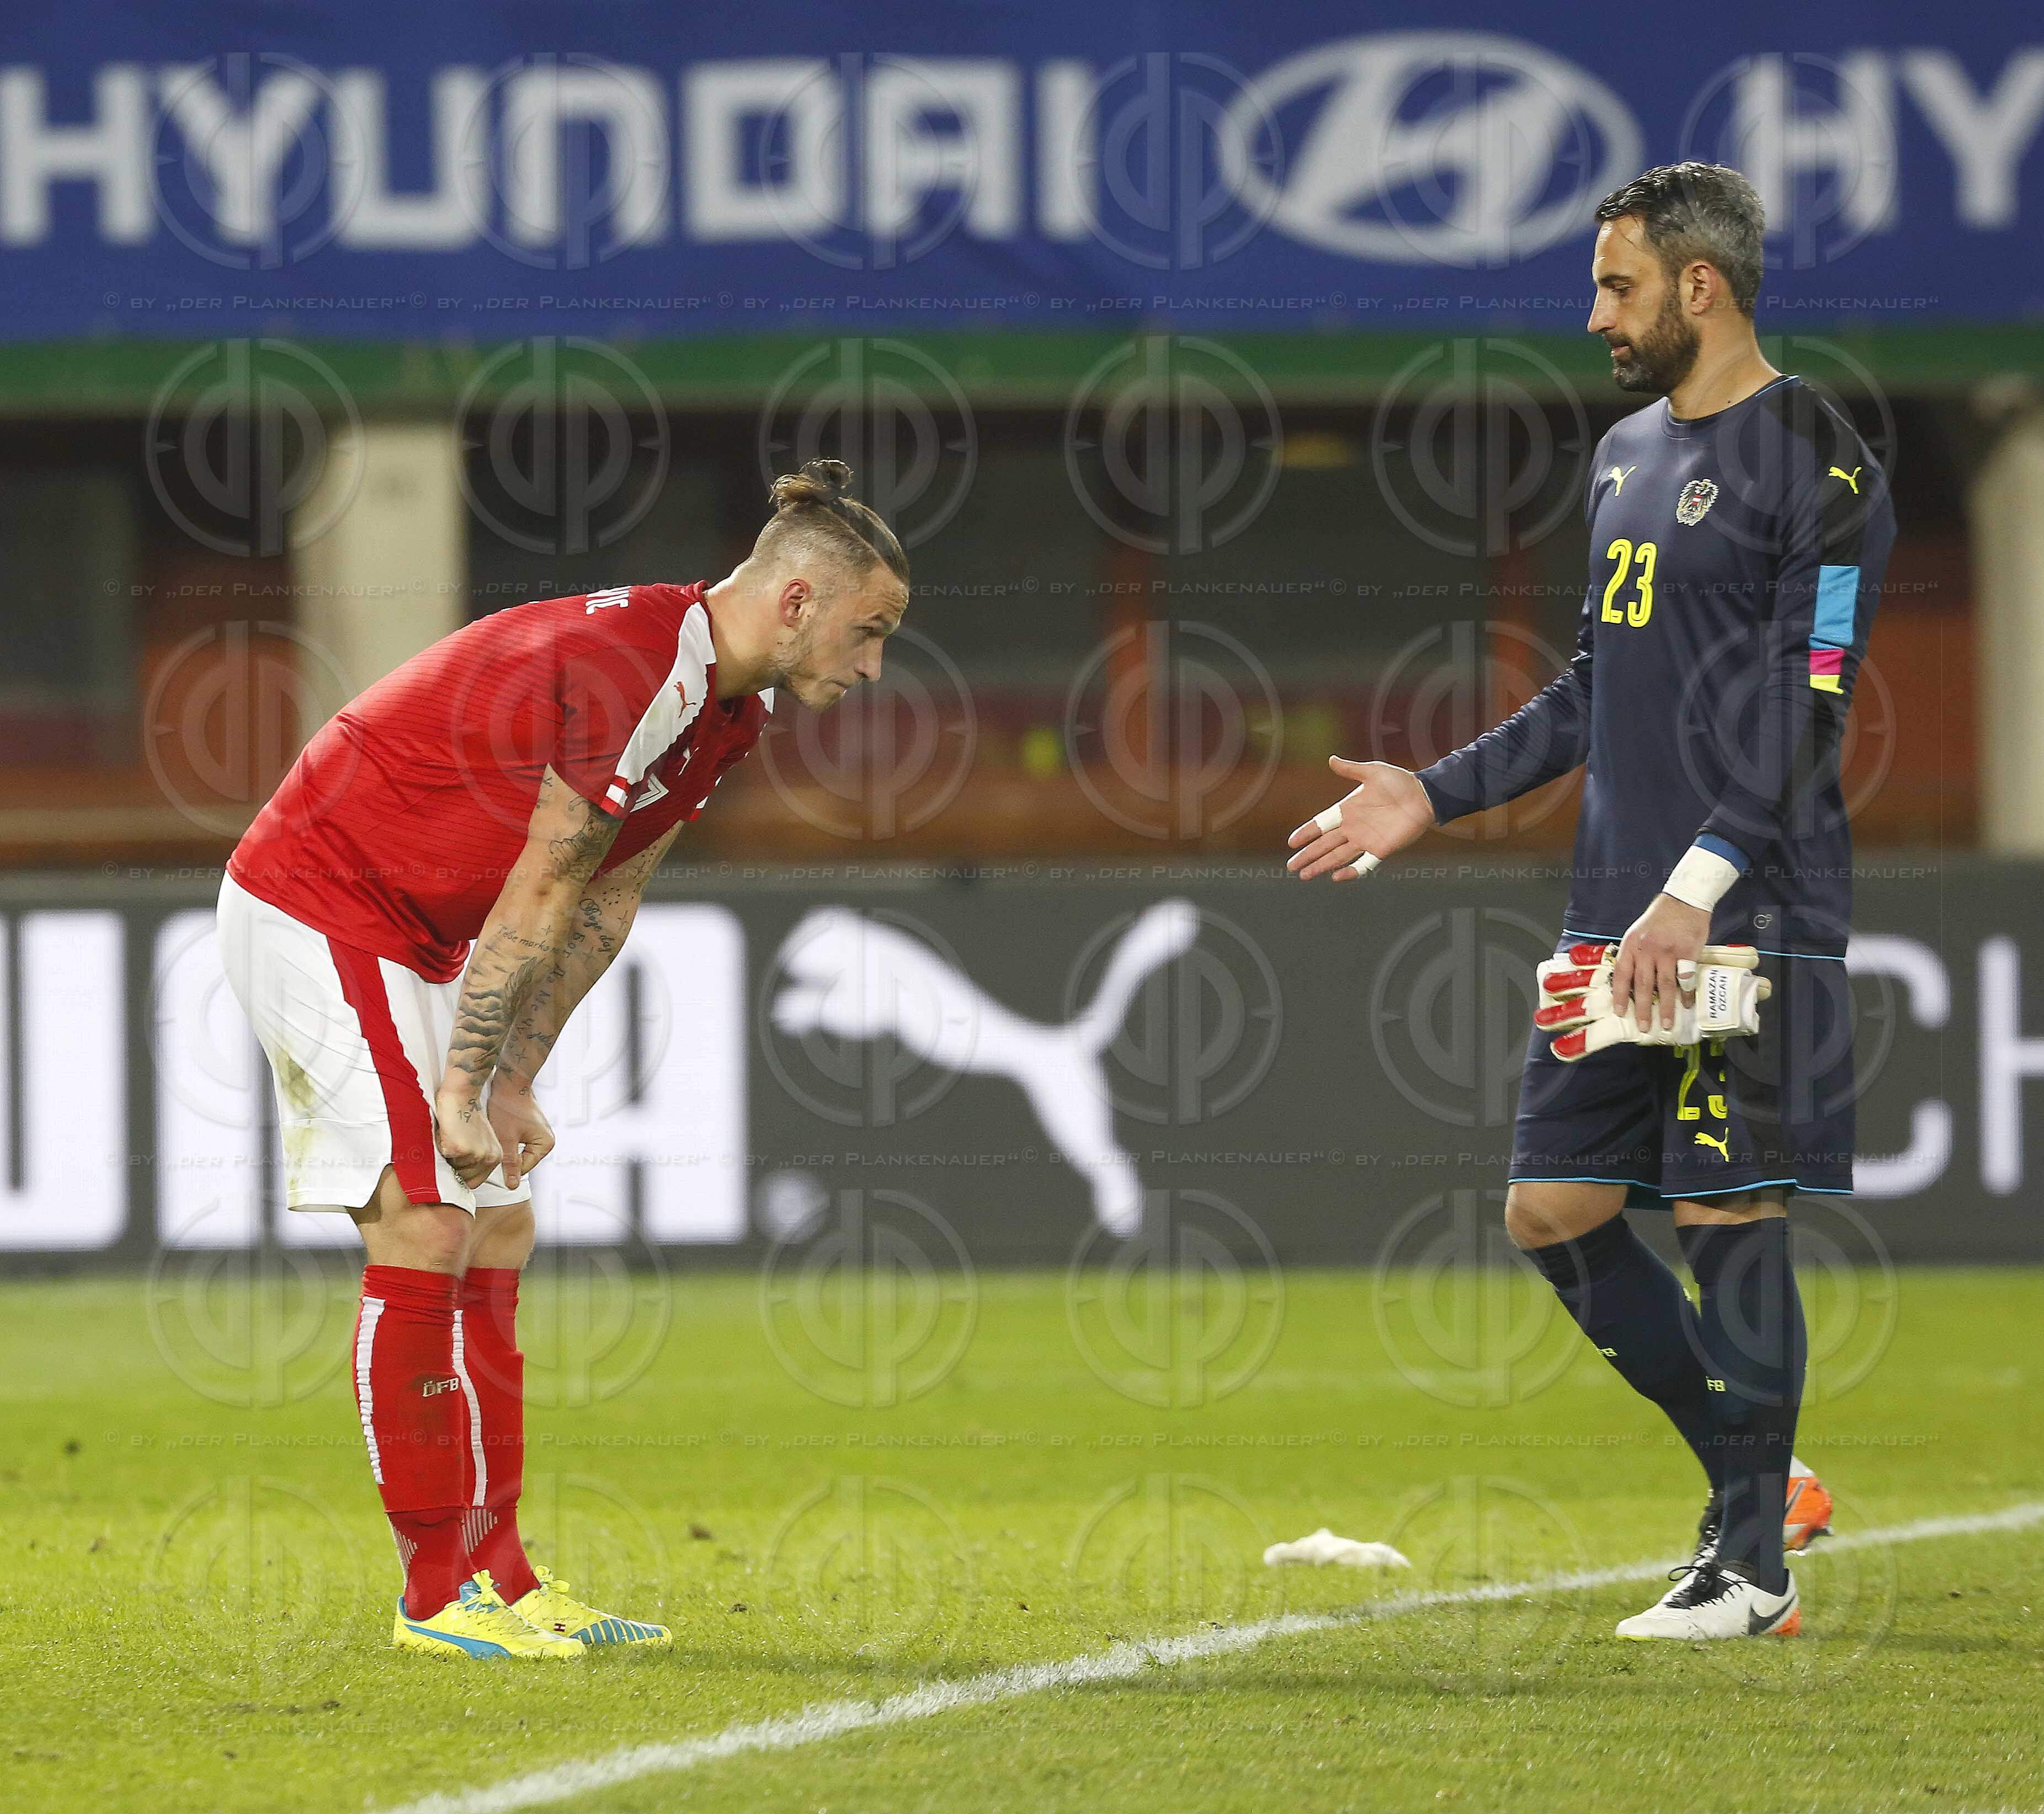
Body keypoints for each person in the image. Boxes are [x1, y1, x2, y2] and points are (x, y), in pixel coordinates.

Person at [1289, 163, 1889, 1640]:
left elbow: (1811, 714)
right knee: (1552, 1208)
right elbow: (1591, 688)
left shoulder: (1821, 459)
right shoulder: (1622, 454)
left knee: (1725, 1202)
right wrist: (1431, 788)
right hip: (1611, 917)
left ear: (1702, 285)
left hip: (1740, 907)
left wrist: (1694, 892)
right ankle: (1757, 1479)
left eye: (1617, 285)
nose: (1596, 314)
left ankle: (1752, 1569)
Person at [219, 460, 908, 1658]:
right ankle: (435, 1597)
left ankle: (503, 1573)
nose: (874, 664)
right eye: (871, 631)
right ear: (797, 600)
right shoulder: (640, 669)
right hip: (322, 900)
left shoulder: (721, 708)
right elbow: (542, 883)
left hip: (420, 931)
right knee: (426, 1221)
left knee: (498, 1224)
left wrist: (514, 1075)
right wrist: (455, 1087)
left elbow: (605, 900)